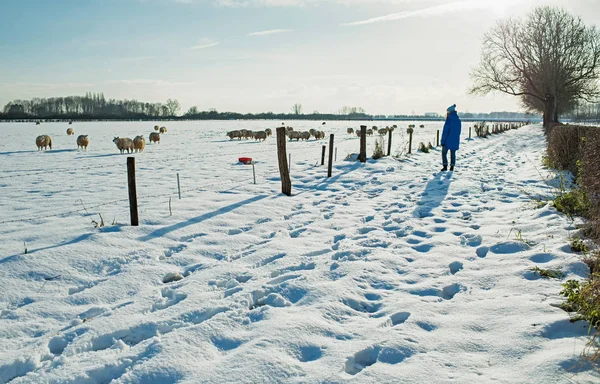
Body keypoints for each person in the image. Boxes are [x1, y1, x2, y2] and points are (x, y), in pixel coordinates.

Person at [440, 104, 462, 172]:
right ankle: (452, 166)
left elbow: (445, 132)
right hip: (455, 140)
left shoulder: (449, 120)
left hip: (447, 140)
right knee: (453, 153)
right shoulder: (458, 121)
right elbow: (459, 131)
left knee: (444, 153)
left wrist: (443, 141)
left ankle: (445, 166)